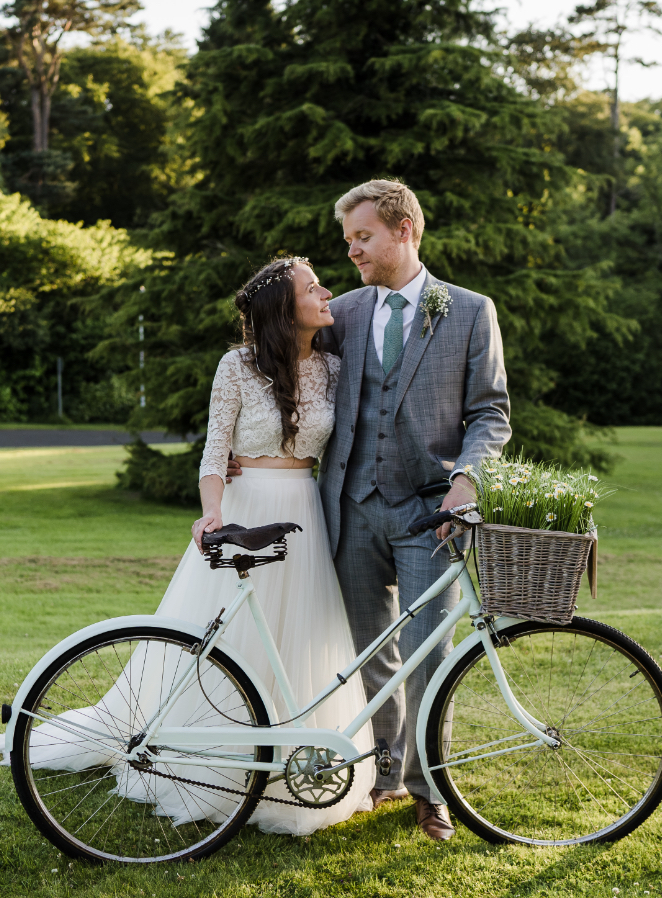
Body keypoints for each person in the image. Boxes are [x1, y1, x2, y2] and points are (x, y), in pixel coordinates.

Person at [315, 180, 510, 840]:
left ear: (404, 232)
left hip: (432, 514)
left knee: (432, 657)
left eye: (362, 238)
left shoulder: (468, 310)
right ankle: (389, 776)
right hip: (352, 509)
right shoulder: (339, 313)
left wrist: (467, 478)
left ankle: (433, 790)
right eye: (348, 242)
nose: (352, 252)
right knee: (375, 655)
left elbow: (490, 412)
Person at [171, 255, 375, 834]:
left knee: (300, 639)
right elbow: (214, 451)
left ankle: (295, 767)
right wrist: (212, 513)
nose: (327, 292)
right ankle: (217, 766)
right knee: (232, 637)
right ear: (286, 310)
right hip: (245, 509)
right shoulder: (235, 367)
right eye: (314, 288)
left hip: (305, 513)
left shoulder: (334, 368)